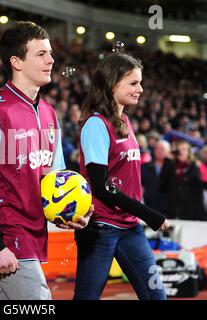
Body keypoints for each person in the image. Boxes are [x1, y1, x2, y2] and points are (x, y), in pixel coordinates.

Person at [0, 21, 92, 300]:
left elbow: (54, 181)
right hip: (9, 238)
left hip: (34, 236)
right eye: (41, 54)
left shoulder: (49, 114)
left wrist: (71, 212)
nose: (51, 60)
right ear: (16, 62)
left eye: (51, 53)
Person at [75, 53, 169, 300]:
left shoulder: (124, 119)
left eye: (140, 82)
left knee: (157, 297)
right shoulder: (96, 124)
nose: (140, 89)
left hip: (130, 227)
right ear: (112, 84)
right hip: (101, 227)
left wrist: (139, 215)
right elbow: (101, 186)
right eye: (133, 83)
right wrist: (149, 214)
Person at [170, 140, 206, 220]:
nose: (181, 152)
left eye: (183, 149)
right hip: (175, 209)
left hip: (192, 210)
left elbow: (200, 189)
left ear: (189, 151)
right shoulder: (172, 166)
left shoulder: (196, 166)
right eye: (178, 150)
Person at [141, 139, 176, 219]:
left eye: (162, 149)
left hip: (169, 210)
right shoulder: (144, 167)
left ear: (169, 151)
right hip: (149, 209)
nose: (159, 151)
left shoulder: (174, 167)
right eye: (157, 148)